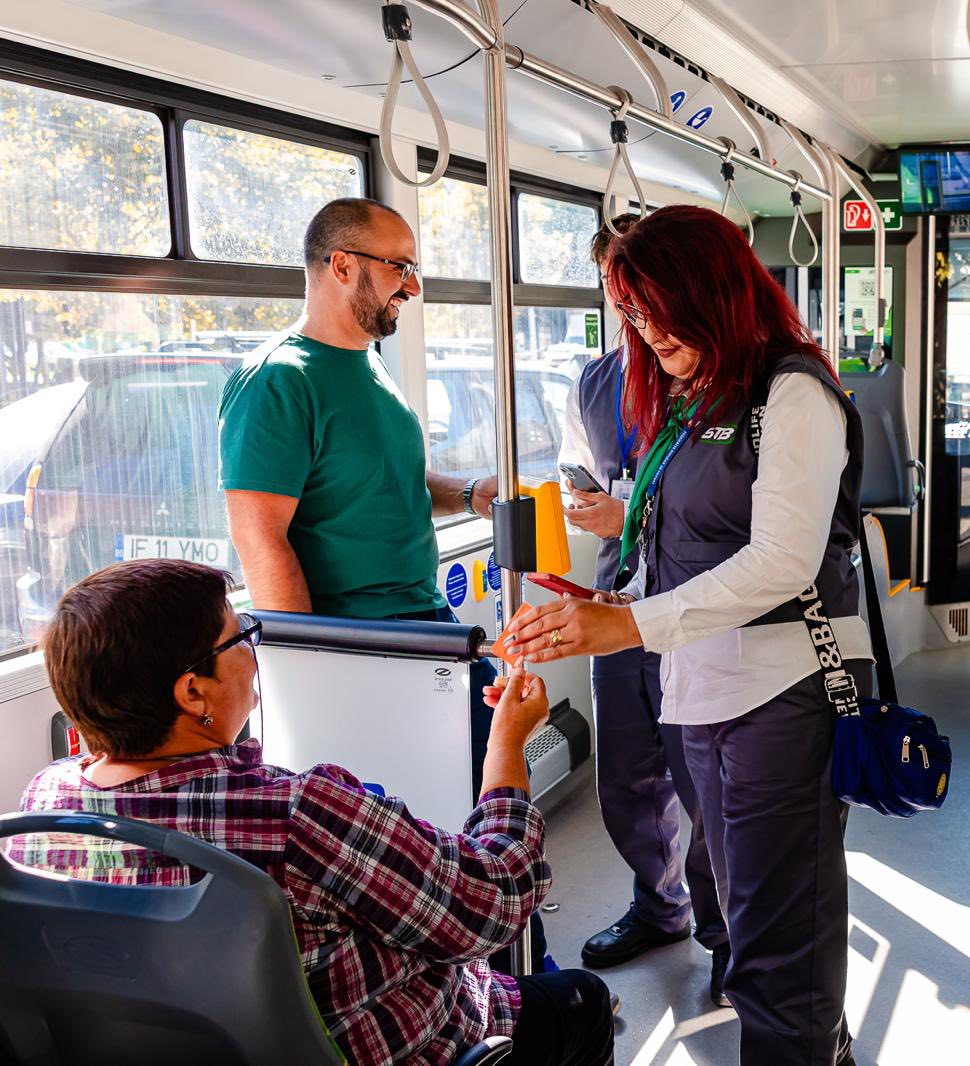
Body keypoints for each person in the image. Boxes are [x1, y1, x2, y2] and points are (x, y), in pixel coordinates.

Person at [500, 205, 869, 1066]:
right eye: (633, 310)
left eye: (661, 306)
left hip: (782, 693)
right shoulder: (692, 398)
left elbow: (781, 562)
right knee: (747, 914)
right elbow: (682, 539)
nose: (647, 328)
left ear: (715, 292)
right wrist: (595, 604)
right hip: (700, 687)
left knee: (779, 939)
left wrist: (626, 622)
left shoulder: (791, 392)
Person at [6, 559, 614, 1066]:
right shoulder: (296, 816)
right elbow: (494, 899)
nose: (251, 652)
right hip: (402, 1047)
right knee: (580, 999)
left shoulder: (44, 807)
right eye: (240, 637)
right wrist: (506, 743)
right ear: (192, 692)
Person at [218, 196, 506, 801]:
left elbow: (389, 482)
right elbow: (260, 536)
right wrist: (308, 670)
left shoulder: (370, 366)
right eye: (401, 267)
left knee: (484, 789)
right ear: (343, 265)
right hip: (359, 642)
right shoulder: (279, 379)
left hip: (424, 625)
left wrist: (471, 493)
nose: (414, 287)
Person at [557, 214, 728, 1002]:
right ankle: (660, 907)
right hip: (617, 596)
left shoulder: (714, 374)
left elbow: (726, 512)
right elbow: (580, 476)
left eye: (643, 293)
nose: (632, 311)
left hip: (697, 605)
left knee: (706, 781)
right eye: (616, 292)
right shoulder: (593, 384)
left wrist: (626, 510)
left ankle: (727, 932)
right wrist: (592, 509)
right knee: (626, 772)